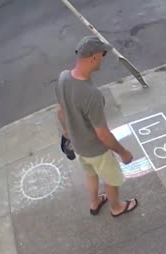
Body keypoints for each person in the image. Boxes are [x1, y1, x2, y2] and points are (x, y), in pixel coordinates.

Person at [56, 36, 138, 217]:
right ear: (93, 57)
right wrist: (123, 152)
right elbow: (102, 134)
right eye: (103, 54)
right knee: (112, 179)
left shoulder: (63, 78)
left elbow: (60, 111)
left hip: (79, 146)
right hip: (97, 150)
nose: (104, 58)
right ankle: (116, 208)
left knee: (91, 175)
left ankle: (94, 203)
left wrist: (68, 133)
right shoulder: (91, 94)